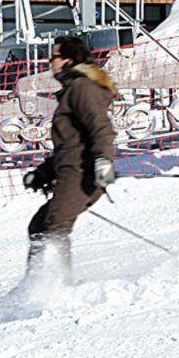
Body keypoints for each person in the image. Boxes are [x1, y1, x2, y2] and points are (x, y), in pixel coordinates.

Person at [21, 32, 118, 291]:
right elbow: (71, 143)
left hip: (83, 172)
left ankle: (56, 289)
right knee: (40, 225)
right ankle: (36, 284)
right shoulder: (71, 90)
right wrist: (43, 172)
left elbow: (101, 127)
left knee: (54, 226)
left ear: (68, 61)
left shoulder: (82, 88)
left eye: (53, 57)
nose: (48, 62)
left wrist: (103, 161)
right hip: (71, 169)